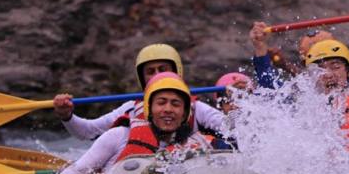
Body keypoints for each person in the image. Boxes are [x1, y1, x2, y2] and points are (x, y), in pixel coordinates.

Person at [248, 4, 349, 174]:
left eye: (335, 66)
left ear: (348, 71)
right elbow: (270, 89)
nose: (327, 74)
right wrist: (260, 49)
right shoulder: (306, 105)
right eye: (320, 69)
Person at [56, 73, 226, 174]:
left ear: (184, 114)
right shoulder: (118, 136)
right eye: (161, 103)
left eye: (175, 104)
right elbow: (72, 172)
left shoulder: (198, 145)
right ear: (149, 110)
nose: (168, 109)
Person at [52, 43, 224, 140]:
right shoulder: (131, 109)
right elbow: (87, 131)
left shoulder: (197, 109)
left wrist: (240, 101)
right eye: (150, 72)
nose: (158, 76)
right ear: (142, 79)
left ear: (177, 72)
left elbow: (237, 129)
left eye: (163, 69)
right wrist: (67, 116)